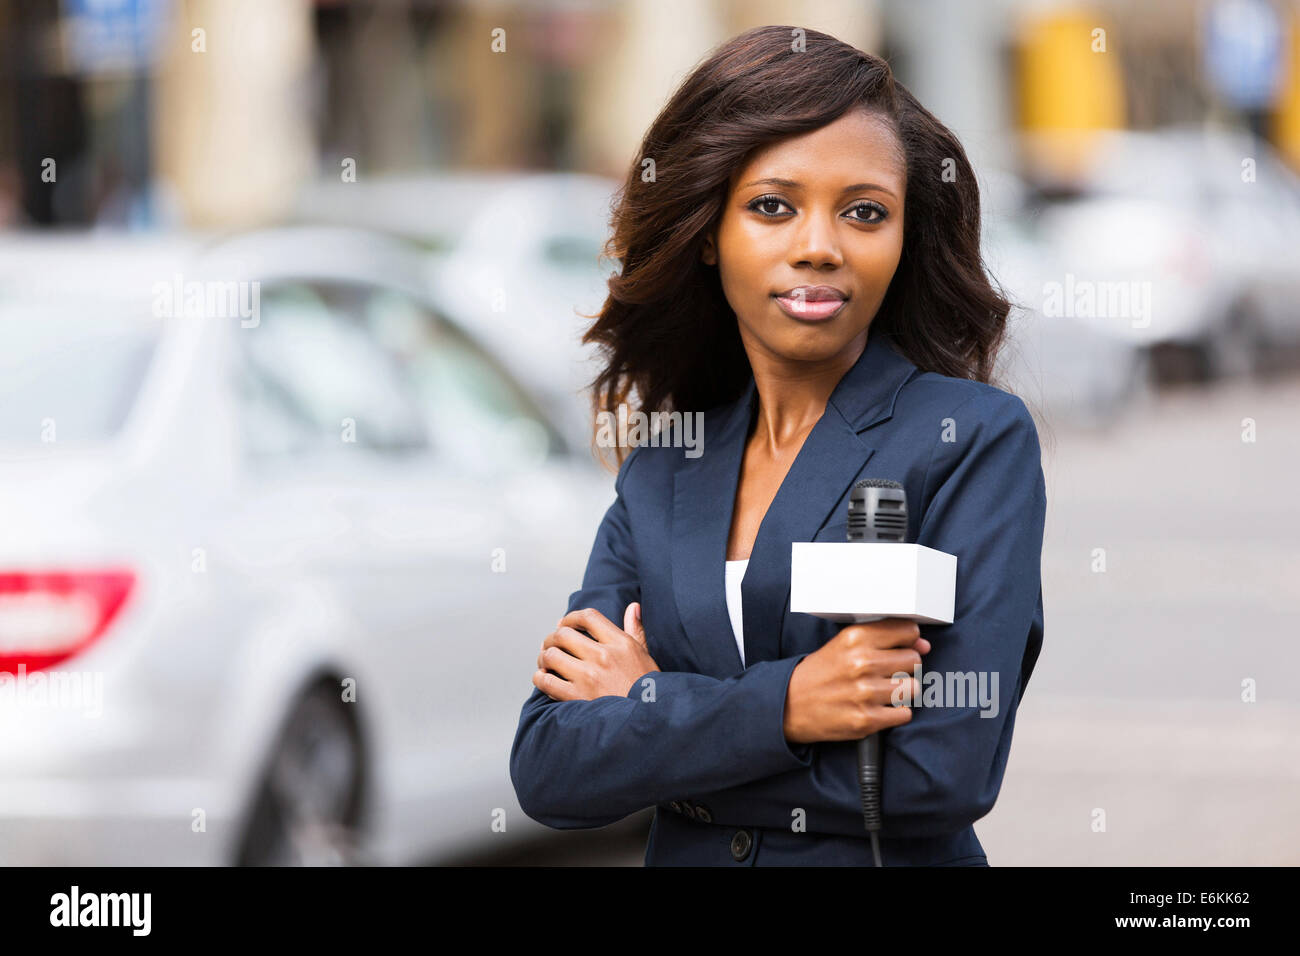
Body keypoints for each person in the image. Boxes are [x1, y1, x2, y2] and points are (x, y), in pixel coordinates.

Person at [509, 24, 1047, 866]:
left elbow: (937, 773)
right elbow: (550, 767)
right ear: (708, 231)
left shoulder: (968, 442)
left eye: (865, 212)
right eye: (772, 205)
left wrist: (648, 707)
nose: (820, 246)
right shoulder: (665, 468)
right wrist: (790, 704)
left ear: (905, 240)